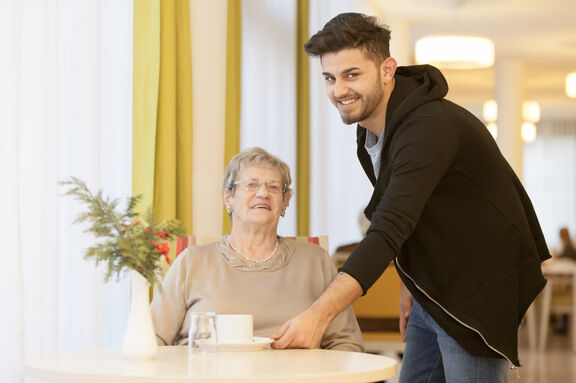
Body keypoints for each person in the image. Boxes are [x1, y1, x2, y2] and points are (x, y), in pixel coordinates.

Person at [271, 12, 550, 382]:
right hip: (432, 281)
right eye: (330, 78)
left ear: (387, 70)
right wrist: (410, 282)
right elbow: (408, 211)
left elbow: (388, 228)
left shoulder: (426, 129)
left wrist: (318, 317)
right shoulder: (373, 125)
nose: (339, 91)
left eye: (352, 75)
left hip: (478, 283)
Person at [150, 147, 364, 352]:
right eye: (251, 185)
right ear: (228, 197)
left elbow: (347, 344)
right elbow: (152, 339)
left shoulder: (316, 261)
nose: (263, 193)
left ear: (285, 201)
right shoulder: (192, 261)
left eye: (273, 187)